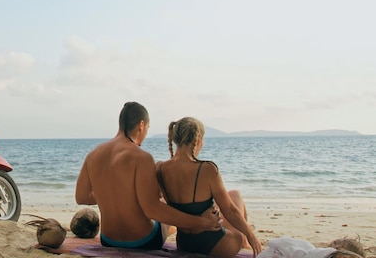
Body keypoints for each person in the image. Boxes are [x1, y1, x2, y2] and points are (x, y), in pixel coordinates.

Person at [75, 102, 222, 250]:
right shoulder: (142, 157)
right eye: (147, 128)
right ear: (141, 125)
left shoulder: (93, 155)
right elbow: (152, 210)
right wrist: (202, 222)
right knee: (165, 201)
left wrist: (117, 194)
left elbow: (81, 197)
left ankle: (175, 229)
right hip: (143, 241)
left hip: (108, 240)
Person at [156, 116, 262, 257]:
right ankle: (246, 243)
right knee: (235, 196)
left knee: (217, 205)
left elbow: (159, 203)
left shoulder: (160, 168)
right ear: (198, 139)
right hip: (215, 245)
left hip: (185, 243)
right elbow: (230, 211)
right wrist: (251, 235)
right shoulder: (207, 169)